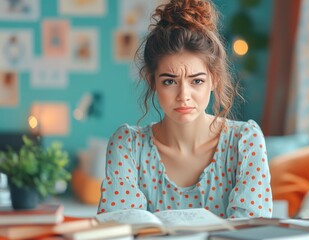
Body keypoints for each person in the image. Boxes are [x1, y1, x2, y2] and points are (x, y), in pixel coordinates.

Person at [98, 0, 273, 219]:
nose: (183, 96)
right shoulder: (128, 146)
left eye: (197, 81)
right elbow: (120, 226)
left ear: (214, 80)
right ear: (153, 82)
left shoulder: (244, 142)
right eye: (169, 82)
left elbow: (250, 228)